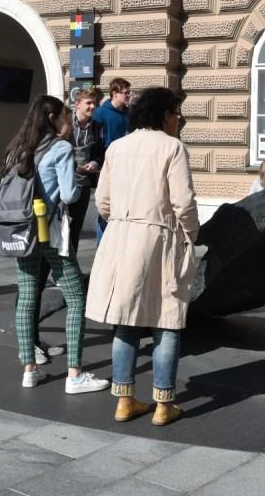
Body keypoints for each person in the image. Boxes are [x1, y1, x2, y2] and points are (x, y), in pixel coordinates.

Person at [86, 87, 199, 426]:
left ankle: (124, 401)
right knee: (167, 320)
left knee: (127, 320)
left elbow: (102, 201)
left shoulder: (116, 147)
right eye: (175, 112)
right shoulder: (172, 147)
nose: (178, 118)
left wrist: (121, 222)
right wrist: (192, 235)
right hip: (161, 239)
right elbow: (184, 201)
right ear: (163, 113)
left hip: (122, 239)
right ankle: (163, 404)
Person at [2, 96, 109, 394]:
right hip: (51, 233)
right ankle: (74, 375)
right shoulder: (60, 149)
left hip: (22, 232)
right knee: (76, 297)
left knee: (26, 297)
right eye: (64, 115)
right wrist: (77, 176)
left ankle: (29, 369)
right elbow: (70, 195)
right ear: (52, 118)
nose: (68, 121)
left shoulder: (18, 148)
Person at [91, 78, 131, 244]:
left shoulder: (129, 114)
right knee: (106, 207)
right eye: (126, 92)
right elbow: (96, 142)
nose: (129, 95)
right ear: (115, 93)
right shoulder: (101, 114)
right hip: (107, 168)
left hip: (126, 168)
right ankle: (102, 244)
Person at [68, 88, 104, 256]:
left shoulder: (96, 126)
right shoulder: (66, 123)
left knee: (76, 226)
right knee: (61, 226)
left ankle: (71, 265)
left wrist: (95, 162)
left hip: (83, 182)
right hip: (65, 181)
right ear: (77, 104)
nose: (92, 107)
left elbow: (100, 151)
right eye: (88, 103)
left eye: (94, 103)